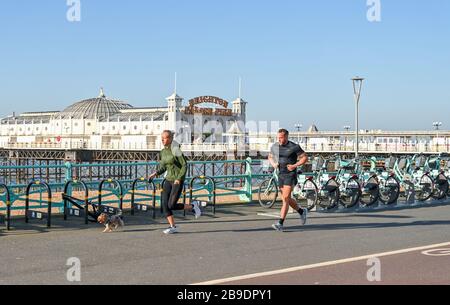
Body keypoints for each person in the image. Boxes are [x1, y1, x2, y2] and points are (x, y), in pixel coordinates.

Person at [150, 130, 202, 234]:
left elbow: (184, 165)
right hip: (168, 180)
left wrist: (179, 178)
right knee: (164, 205)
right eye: (161, 138)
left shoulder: (175, 149)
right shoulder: (163, 151)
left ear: (169, 139)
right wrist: (155, 173)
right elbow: (164, 166)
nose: (162, 140)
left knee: (171, 205)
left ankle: (193, 206)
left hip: (177, 181)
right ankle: (173, 226)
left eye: (164, 138)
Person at [268, 129, 309, 232]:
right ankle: (301, 211)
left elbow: (304, 158)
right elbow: (270, 156)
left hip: (290, 174)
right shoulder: (275, 146)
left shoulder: (294, 146)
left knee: (285, 198)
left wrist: (295, 165)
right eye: (278, 137)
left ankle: (280, 223)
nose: (280, 139)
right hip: (281, 174)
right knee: (286, 199)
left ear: (286, 137)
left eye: (281, 137)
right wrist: (273, 164)